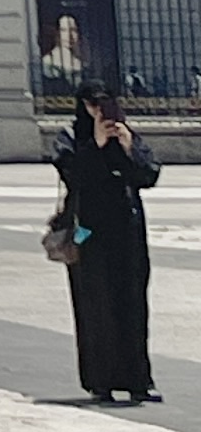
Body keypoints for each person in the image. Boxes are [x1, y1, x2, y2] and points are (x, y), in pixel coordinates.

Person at [52, 87, 162, 405]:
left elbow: (149, 174)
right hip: (89, 231)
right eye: (92, 104)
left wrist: (128, 147)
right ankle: (101, 381)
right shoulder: (71, 137)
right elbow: (74, 175)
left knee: (133, 303)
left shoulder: (126, 134)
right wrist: (96, 145)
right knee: (95, 303)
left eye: (104, 103)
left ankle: (138, 380)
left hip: (127, 231)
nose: (98, 111)